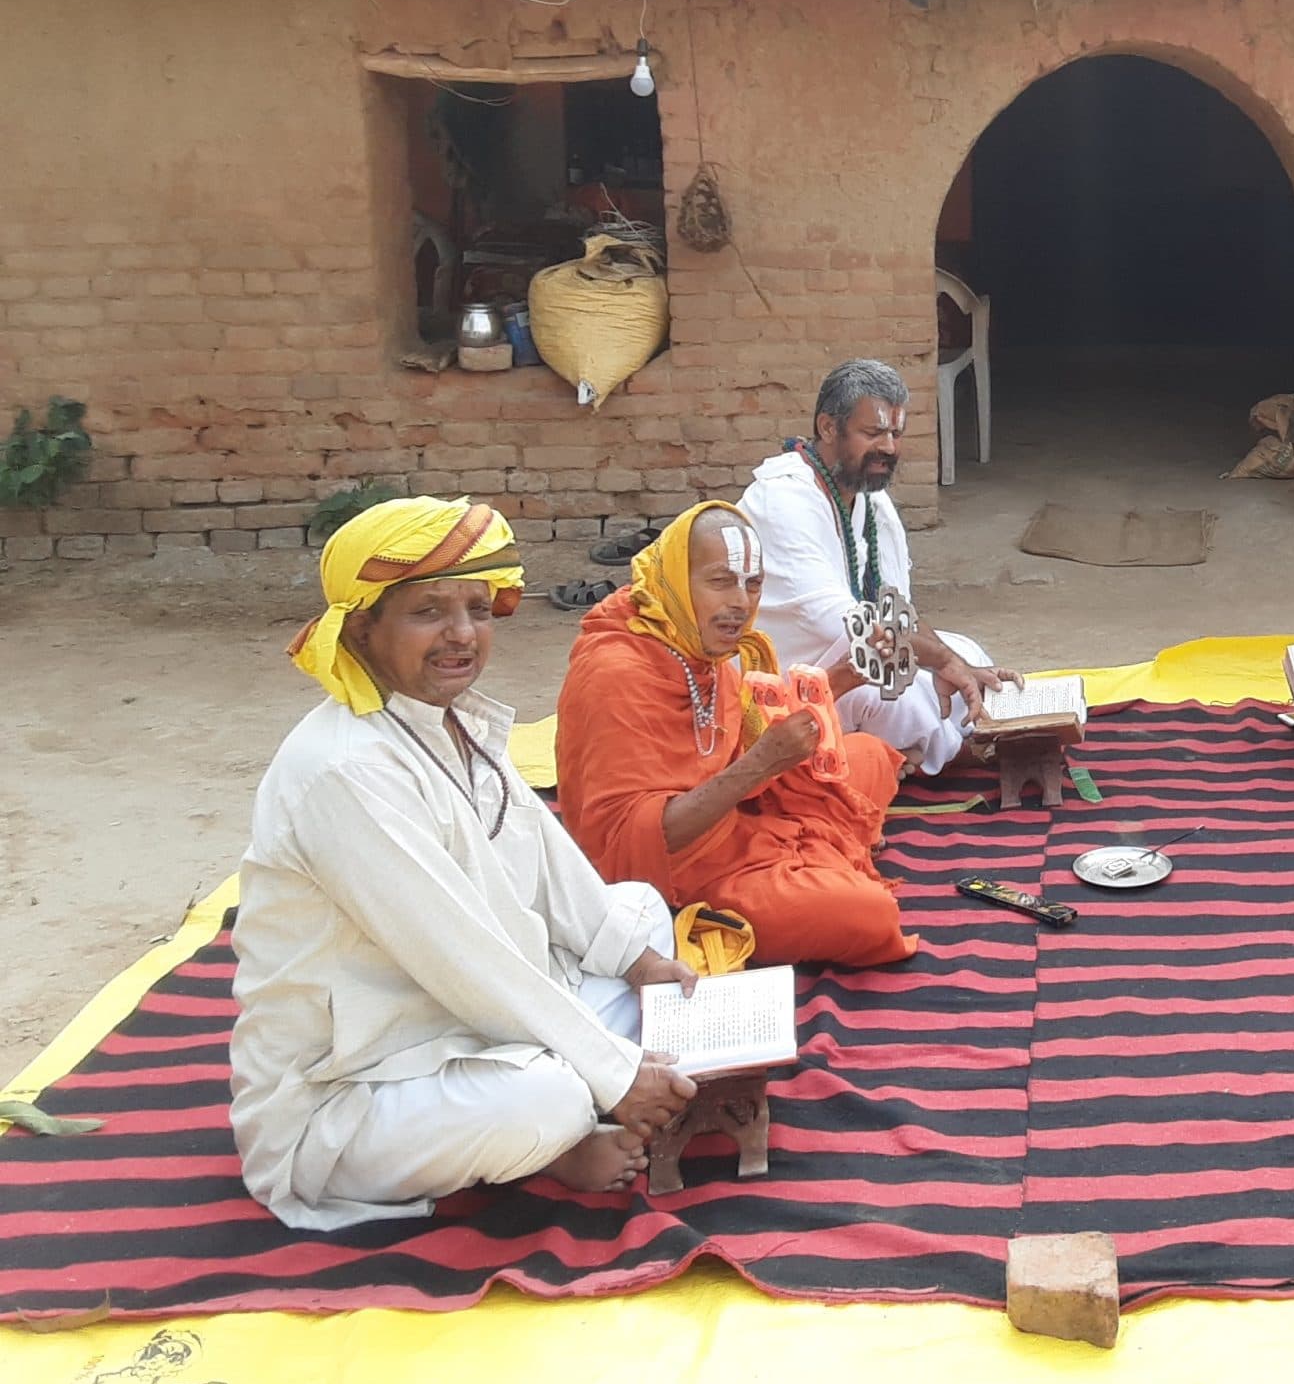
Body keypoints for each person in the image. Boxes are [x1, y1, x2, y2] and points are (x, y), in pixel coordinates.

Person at [230, 498, 700, 1231]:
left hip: (471, 1019)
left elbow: (549, 867)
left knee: (636, 910)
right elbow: (458, 953)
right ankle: (559, 1135)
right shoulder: (342, 769)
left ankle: (587, 1077)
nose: (462, 635)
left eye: (478, 610)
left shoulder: (449, 719)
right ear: (362, 628)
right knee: (548, 1099)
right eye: (428, 612)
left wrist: (642, 965)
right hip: (357, 1087)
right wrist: (616, 1075)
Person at [555, 502, 918, 969]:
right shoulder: (616, 672)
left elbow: (745, 734)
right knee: (869, 916)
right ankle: (822, 864)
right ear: (676, 579)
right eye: (721, 581)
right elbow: (635, 843)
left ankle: (823, 859)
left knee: (869, 754)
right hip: (678, 870)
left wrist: (844, 676)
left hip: (738, 816)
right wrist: (762, 765)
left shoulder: (688, 637)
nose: (741, 603)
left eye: (752, 584)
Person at [739, 359, 1019, 775]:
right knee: (905, 698)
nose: (889, 447)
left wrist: (954, 660)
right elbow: (852, 626)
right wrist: (941, 661)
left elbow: (895, 607)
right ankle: (893, 756)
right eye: (873, 433)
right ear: (828, 428)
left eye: (895, 433)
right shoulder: (783, 500)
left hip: (862, 652)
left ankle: (905, 754)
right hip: (790, 674)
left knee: (968, 654)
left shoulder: (871, 499)